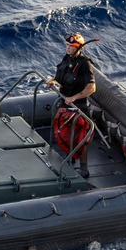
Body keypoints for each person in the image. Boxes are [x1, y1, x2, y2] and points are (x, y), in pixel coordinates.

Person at [46, 33, 96, 176]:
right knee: (66, 133)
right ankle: (70, 158)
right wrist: (54, 80)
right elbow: (64, 73)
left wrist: (74, 97)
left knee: (80, 136)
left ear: (78, 47)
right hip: (64, 102)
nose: (68, 48)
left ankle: (84, 167)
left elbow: (92, 87)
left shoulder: (85, 64)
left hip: (78, 106)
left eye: (71, 46)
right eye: (67, 45)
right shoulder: (67, 58)